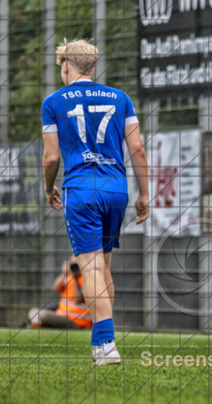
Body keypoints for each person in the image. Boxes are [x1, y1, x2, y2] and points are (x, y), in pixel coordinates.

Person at [42, 39, 149, 365]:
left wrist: (48, 187)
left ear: (65, 66)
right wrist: (145, 194)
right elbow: (138, 149)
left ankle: (105, 344)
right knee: (104, 266)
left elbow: (51, 157)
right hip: (115, 189)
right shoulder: (120, 97)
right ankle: (106, 339)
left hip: (81, 190)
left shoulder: (53, 102)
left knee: (90, 266)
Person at [28, 255, 92, 329]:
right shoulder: (68, 276)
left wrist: (76, 279)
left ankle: (39, 326)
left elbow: (78, 300)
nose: (75, 267)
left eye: (77, 265)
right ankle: (40, 325)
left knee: (43, 315)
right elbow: (55, 289)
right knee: (33, 312)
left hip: (76, 320)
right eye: (72, 264)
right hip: (61, 314)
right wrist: (64, 273)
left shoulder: (86, 278)